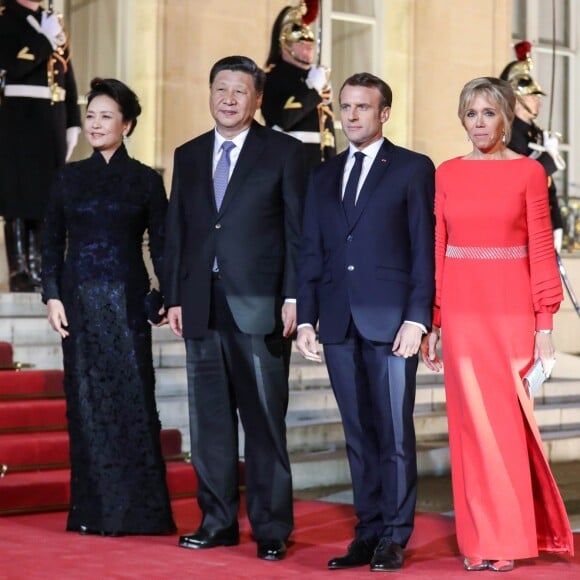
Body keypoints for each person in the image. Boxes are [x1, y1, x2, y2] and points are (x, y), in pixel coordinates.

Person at [421, 77, 574, 572]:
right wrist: (436, 320)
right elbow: (438, 250)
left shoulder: (529, 173)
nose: (479, 123)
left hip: (510, 314)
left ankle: (507, 538)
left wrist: (544, 324)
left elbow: (541, 250)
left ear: (506, 117)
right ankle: (478, 539)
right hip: (463, 312)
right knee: (469, 429)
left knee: (505, 427)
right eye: (471, 114)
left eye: (489, 113)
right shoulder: (446, 173)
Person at [163, 55, 306, 561]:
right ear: (210, 92)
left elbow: (297, 234)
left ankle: (271, 527)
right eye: (220, 88)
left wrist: (294, 297)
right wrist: (174, 296)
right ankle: (218, 520)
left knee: (265, 421)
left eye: (239, 91)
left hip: (261, 306)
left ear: (257, 98)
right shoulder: (189, 153)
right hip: (201, 305)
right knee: (210, 422)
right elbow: (176, 232)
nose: (228, 98)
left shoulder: (285, 153)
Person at [296, 72, 435, 572]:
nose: (351, 115)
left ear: (384, 113)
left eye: (362, 107)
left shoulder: (414, 169)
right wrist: (306, 318)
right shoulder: (323, 174)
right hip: (336, 321)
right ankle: (368, 531)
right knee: (357, 434)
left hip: (393, 323)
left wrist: (418, 320)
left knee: (394, 434)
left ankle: (395, 536)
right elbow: (312, 250)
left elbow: (424, 250)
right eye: (346, 107)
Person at [41, 77, 176, 537]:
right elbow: (51, 243)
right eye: (91, 116)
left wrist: (165, 296)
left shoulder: (145, 180)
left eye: (106, 117)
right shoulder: (67, 177)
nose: (96, 124)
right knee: (86, 405)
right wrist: (51, 295)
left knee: (134, 401)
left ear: (128, 124)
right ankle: (92, 512)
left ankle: (140, 512)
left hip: (127, 303)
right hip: (77, 303)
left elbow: (162, 245)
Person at [0, 0, 81, 292]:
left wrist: (73, 121)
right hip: (17, 117)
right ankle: (19, 271)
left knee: (47, 198)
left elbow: (67, 76)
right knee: (18, 196)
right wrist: (45, 39)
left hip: (52, 119)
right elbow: (15, 64)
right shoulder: (5, 17)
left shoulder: (52, 20)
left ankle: (41, 269)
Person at [500, 40, 565, 252]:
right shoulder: (507, 133)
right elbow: (521, 177)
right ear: (516, 100)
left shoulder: (536, 133)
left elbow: (548, 185)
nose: (538, 102)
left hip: (541, 220)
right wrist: (550, 158)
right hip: (520, 223)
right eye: (531, 96)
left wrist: (557, 222)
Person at [262, 1, 336, 173]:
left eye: (311, 43)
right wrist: (312, 89)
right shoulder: (272, 78)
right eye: (302, 43)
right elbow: (284, 118)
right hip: (290, 170)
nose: (309, 48)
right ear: (286, 45)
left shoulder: (315, 79)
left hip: (322, 173)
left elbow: (327, 136)